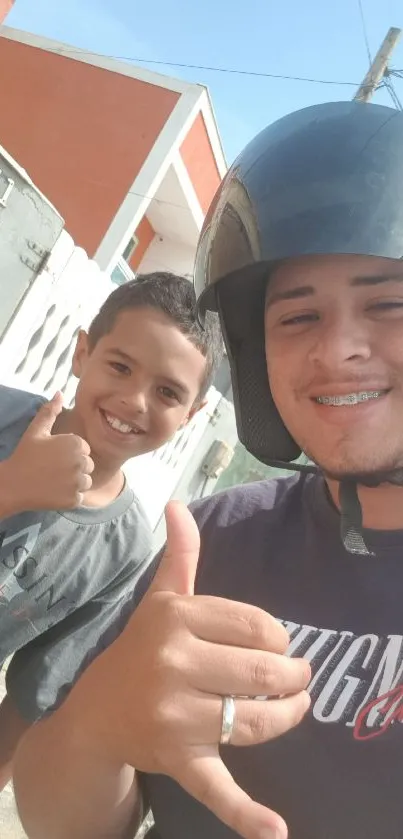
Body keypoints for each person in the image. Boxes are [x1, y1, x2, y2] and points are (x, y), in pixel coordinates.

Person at [12, 99, 403, 839]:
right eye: (296, 317)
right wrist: (99, 726)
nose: (337, 349)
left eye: (388, 304)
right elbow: (57, 817)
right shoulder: (219, 536)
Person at [0, 271, 221, 789]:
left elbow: (29, 703)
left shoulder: (125, 552)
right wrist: (10, 489)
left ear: (191, 415)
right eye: (120, 366)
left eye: (167, 392)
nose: (134, 400)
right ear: (82, 353)